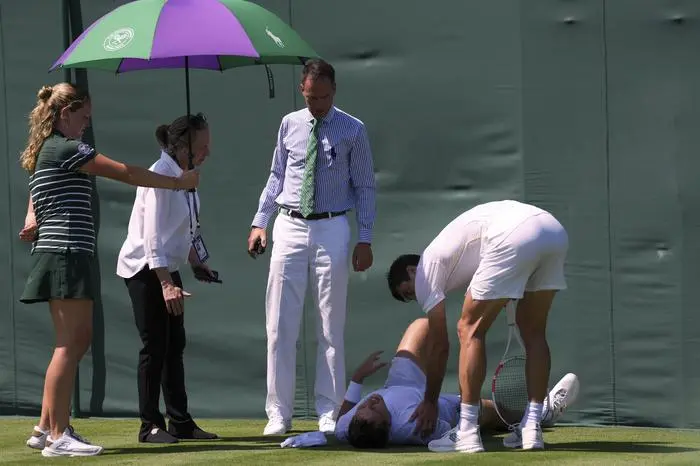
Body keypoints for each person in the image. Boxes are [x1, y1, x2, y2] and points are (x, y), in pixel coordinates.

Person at [18, 82, 199, 458]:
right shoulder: (68, 147)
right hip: (66, 253)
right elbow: (127, 173)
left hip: (63, 253)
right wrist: (177, 182)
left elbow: (37, 196)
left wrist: (33, 216)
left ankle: (45, 427)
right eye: (83, 118)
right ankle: (56, 437)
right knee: (72, 343)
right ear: (65, 114)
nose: (86, 125)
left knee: (70, 342)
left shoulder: (50, 148)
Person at [247, 58, 377, 436]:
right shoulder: (289, 123)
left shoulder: (353, 129)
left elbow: (365, 185)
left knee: (330, 324)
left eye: (322, 97)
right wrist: (260, 221)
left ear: (333, 91)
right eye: (309, 96)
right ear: (302, 90)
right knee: (279, 323)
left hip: (332, 226)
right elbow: (277, 175)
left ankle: (329, 409)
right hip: (288, 224)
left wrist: (365, 236)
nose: (315, 104)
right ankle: (278, 412)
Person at [386, 200, 569, 453]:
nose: (416, 297)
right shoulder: (458, 260)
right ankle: (531, 427)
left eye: (409, 291)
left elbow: (440, 346)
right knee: (534, 332)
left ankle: (467, 431)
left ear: (411, 270)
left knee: (468, 329)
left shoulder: (426, 271)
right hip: (553, 232)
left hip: (512, 233)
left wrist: (430, 401)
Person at [116, 113, 220, 444]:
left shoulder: (186, 178)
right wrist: (165, 283)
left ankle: (181, 422)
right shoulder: (160, 175)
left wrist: (197, 263)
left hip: (166, 267)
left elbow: (186, 228)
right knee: (155, 347)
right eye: (201, 147)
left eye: (208, 145)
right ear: (181, 147)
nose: (207, 153)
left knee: (175, 346)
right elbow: (152, 237)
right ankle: (149, 426)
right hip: (144, 268)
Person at [334, 317, 579, 449]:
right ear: (388, 426)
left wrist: (357, 378)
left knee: (421, 325)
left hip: (400, 382)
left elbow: (339, 422)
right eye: (374, 410)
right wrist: (460, 417)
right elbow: (447, 433)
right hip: (445, 406)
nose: (370, 402)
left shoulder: (350, 427)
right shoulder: (410, 428)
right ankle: (542, 414)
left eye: (364, 407)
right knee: (498, 414)